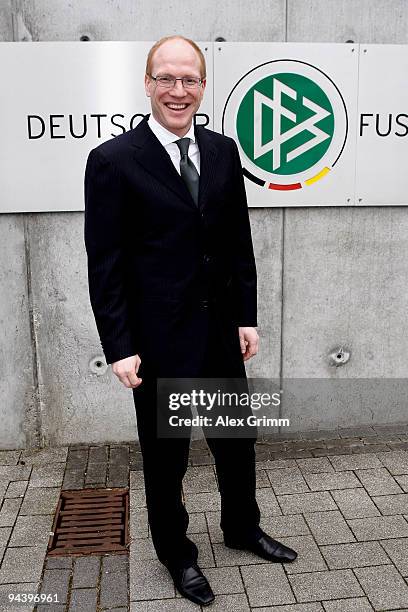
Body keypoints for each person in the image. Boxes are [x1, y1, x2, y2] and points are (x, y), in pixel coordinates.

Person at [84, 35, 297, 607]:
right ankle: (177, 555)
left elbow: (237, 242)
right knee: (166, 454)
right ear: (148, 84)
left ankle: (241, 529)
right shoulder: (112, 161)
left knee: (236, 439)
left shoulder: (224, 150)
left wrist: (246, 316)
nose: (179, 91)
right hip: (158, 342)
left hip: (221, 332)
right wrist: (120, 346)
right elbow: (104, 264)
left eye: (190, 80)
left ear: (203, 85)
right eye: (167, 79)